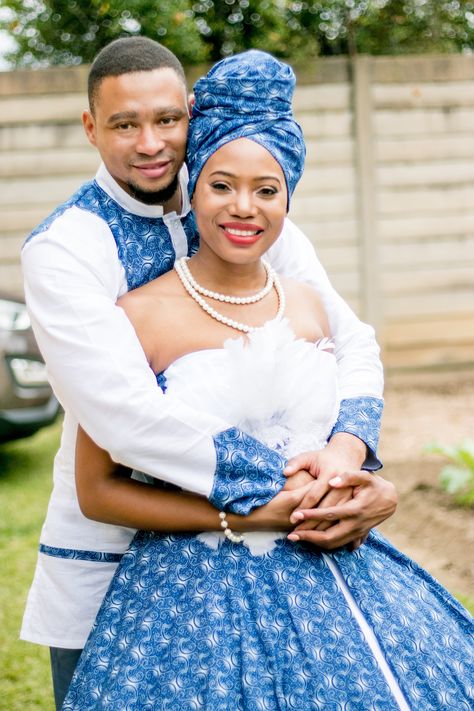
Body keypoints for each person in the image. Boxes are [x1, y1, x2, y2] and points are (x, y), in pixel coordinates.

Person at [61, 50, 474, 711]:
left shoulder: (310, 305)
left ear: (289, 199)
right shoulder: (135, 317)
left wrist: (351, 466)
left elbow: (360, 371)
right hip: (186, 594)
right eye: (221, 185)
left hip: (337, 568)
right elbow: (99, 485)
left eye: (266, 190)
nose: (242, 208)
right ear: (191, 188)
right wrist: (256, 505)